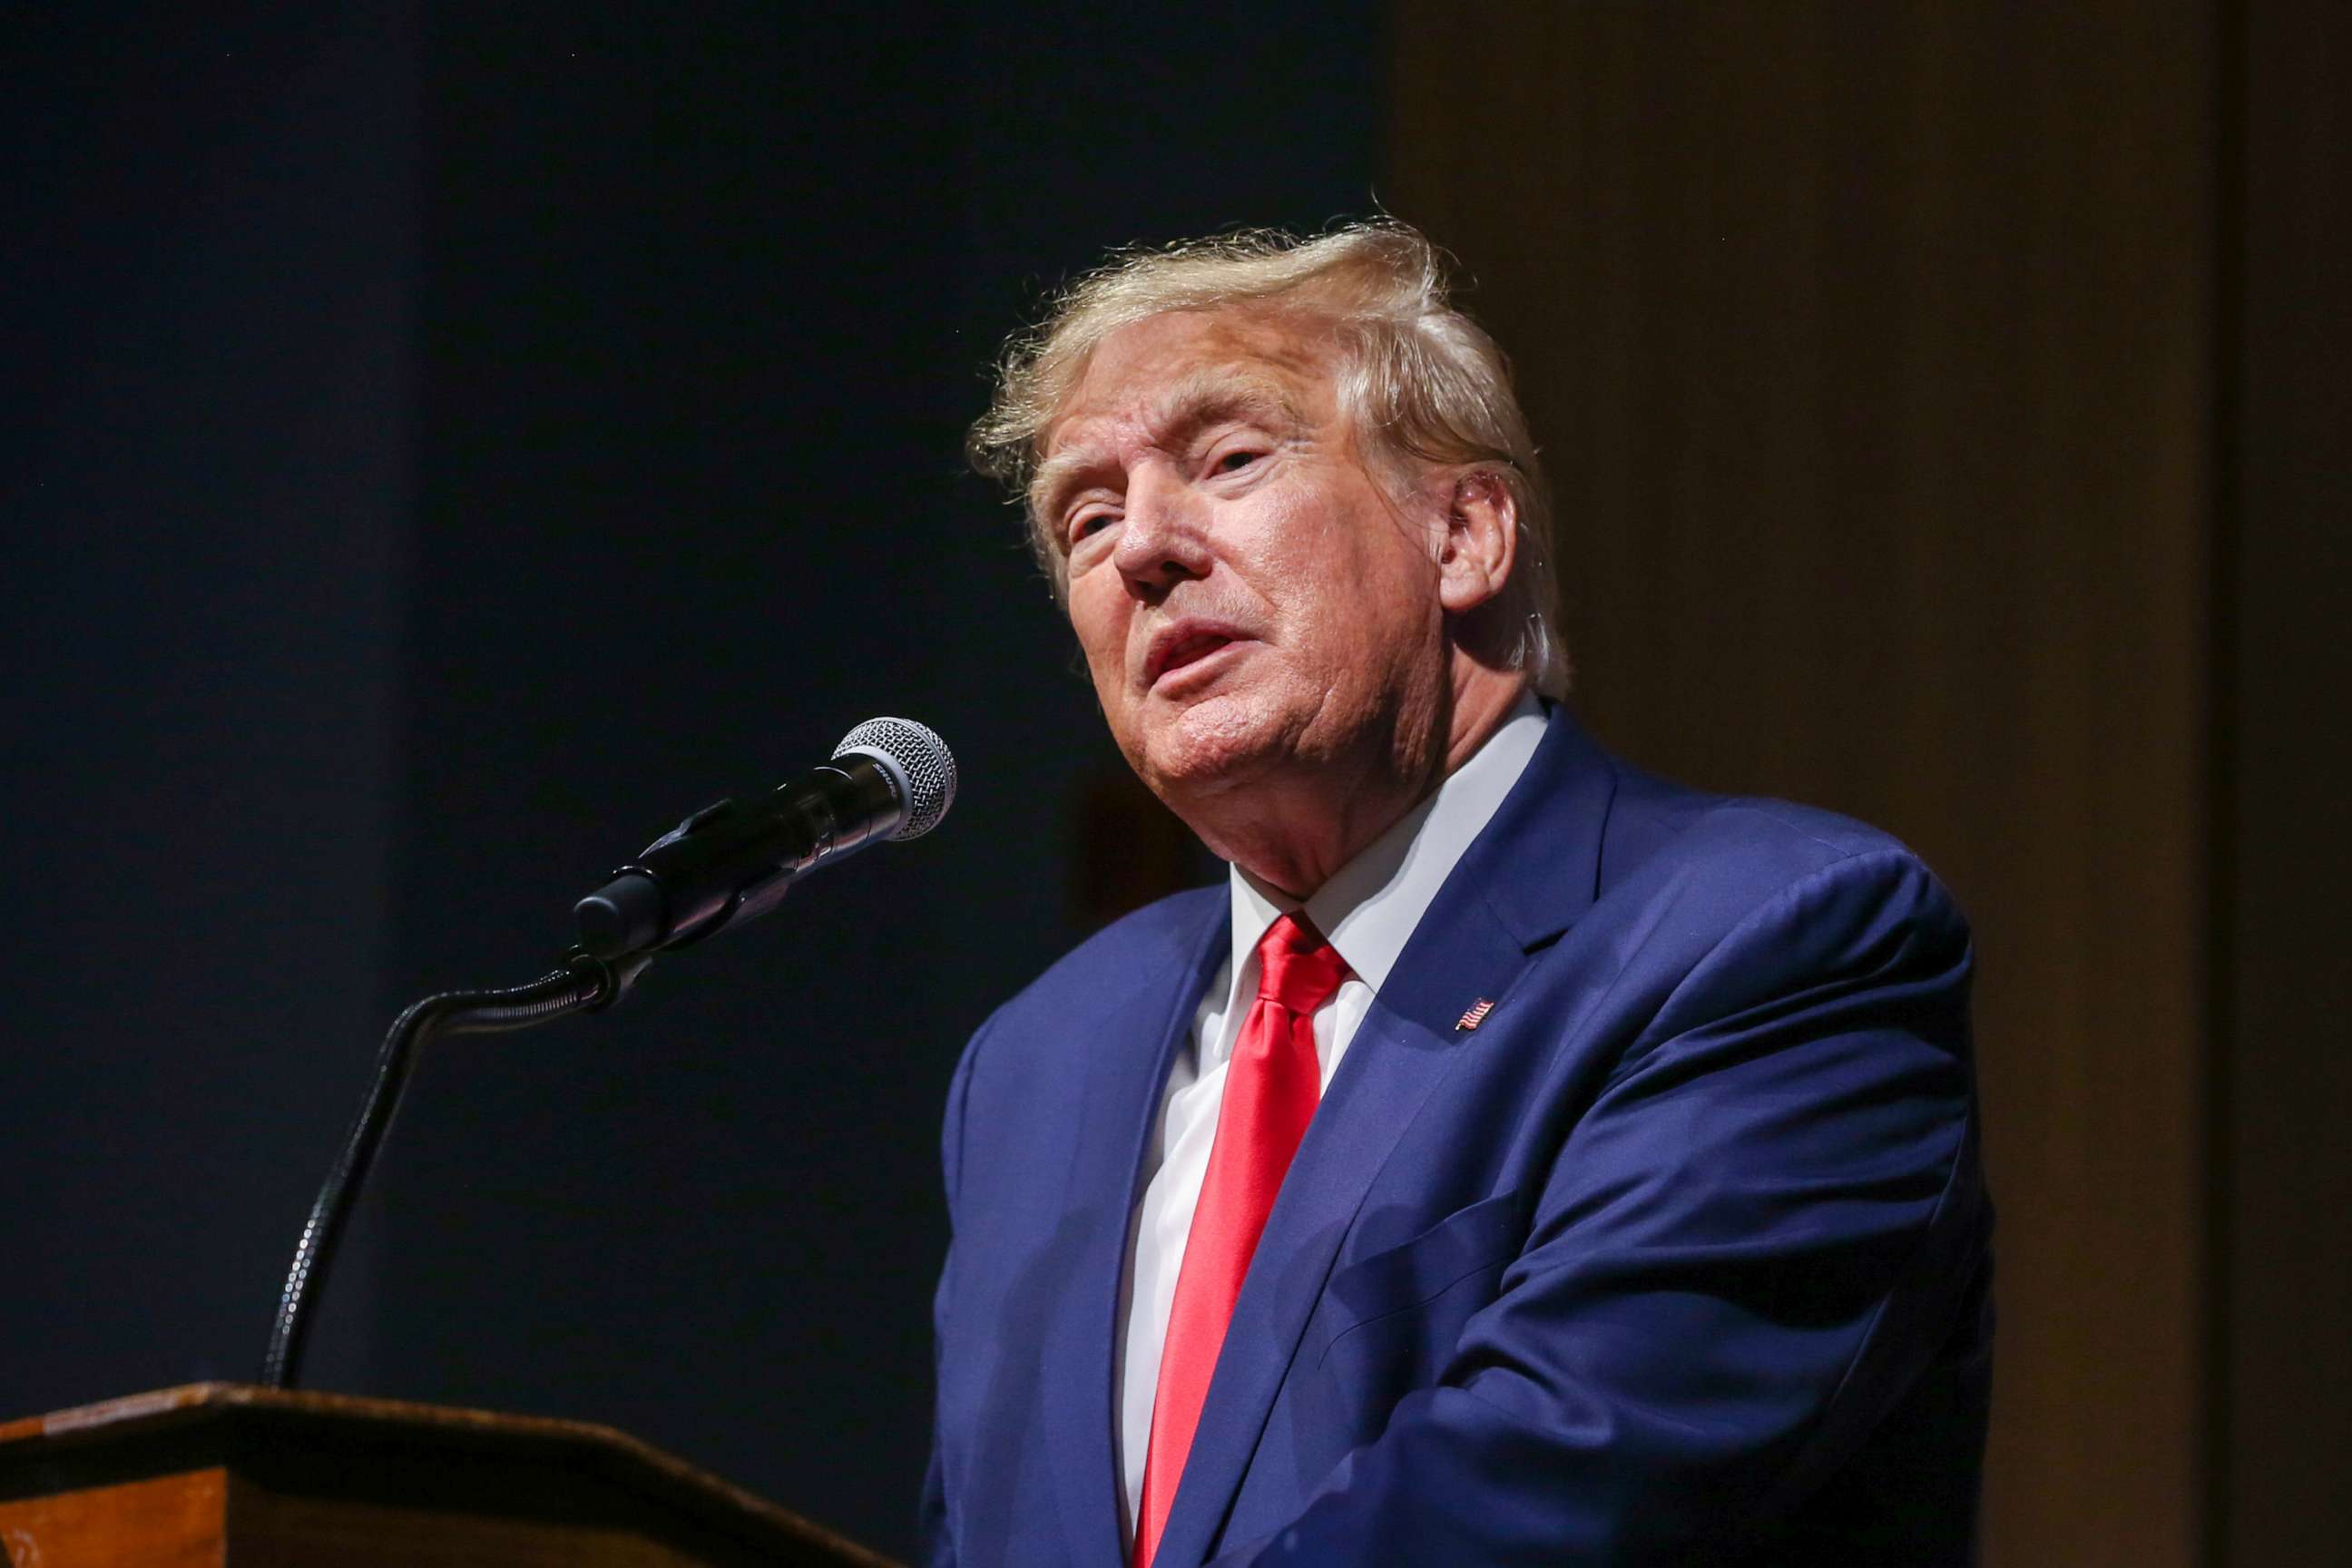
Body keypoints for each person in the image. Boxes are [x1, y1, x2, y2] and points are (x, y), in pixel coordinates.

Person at [923, 221, 1992, 1567]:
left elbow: (1560, 1497)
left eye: (1232, 459)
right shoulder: (1038, 1061)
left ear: (1466, 532)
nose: (1140, 546)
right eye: (1087, 516)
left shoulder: (1776, 941)